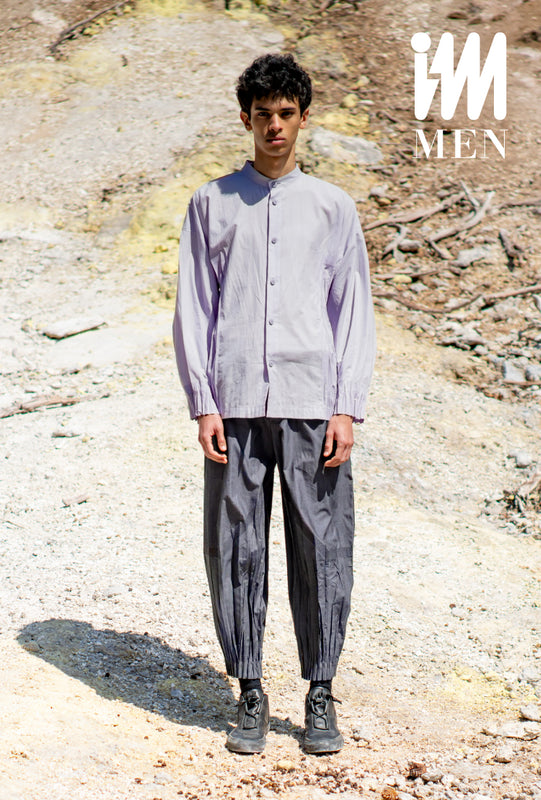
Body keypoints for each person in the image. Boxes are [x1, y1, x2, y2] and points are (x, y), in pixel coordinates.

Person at [172, 52, 376, 755]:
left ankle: (319, 690)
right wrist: (203, 402)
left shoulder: (331, 206)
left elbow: (352, 308)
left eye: (286, 114)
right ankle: (250, 691)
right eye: (263, 116)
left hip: (312, 400)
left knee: (322, 544)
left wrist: (346, 405)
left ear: (303, 118)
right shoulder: (211, 203)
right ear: (246, 120)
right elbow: (194, 307)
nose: (275, 127)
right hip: (232, 401)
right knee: (235, 545)